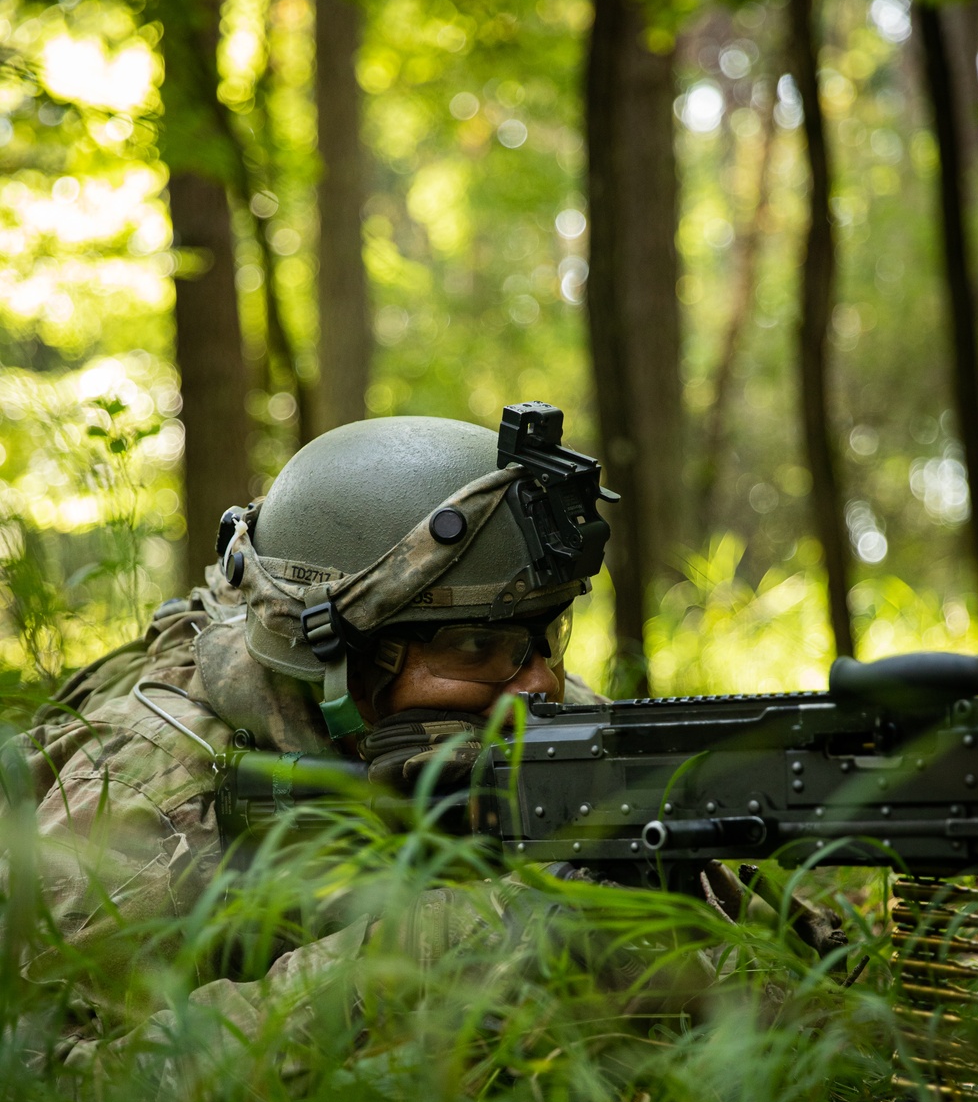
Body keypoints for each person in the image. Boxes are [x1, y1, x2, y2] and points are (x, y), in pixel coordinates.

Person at [4, 403, 634, 1044]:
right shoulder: (138, 802)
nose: (542, 684)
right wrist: (404, 963)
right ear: (332, 655)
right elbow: (63, 1097)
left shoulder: (529, 714)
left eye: (548, 634)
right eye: (475, 645)